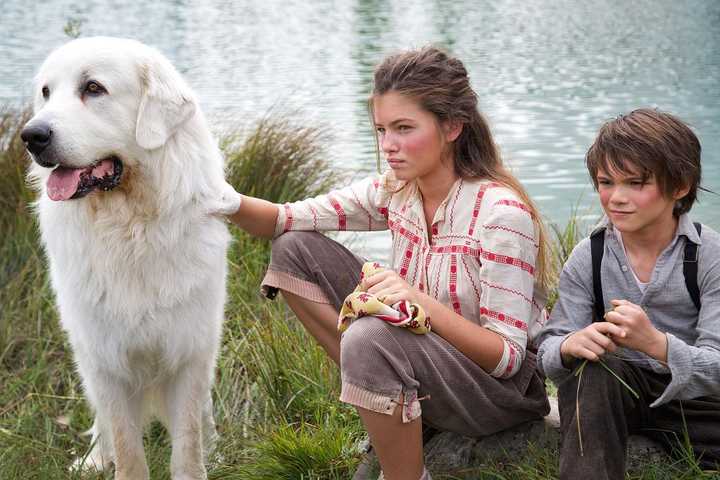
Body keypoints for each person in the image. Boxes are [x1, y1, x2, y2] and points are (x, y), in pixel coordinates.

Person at [225, 46, 550, 480]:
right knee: (293, 247)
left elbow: (508, 358)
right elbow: (282, 220)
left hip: (496, 393)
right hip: (427, 358)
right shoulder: (397, 189)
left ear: (453, 126)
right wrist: (213, 197)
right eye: (381, 129)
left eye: (403, 128)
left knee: (370, 334)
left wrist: (416, 301)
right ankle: (389, 403)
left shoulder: (501, 215)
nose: (388, 146)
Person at [536, 108, 720, 480]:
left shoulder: (708, 254)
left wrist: (655, 343)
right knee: (595, 372)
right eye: (606, 182)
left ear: (680, 186)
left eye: (636, 183)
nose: (616, 198)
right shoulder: (590, 254)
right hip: (617, 395)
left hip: (698, 405)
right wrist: (571, 344)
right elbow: (547, 350)